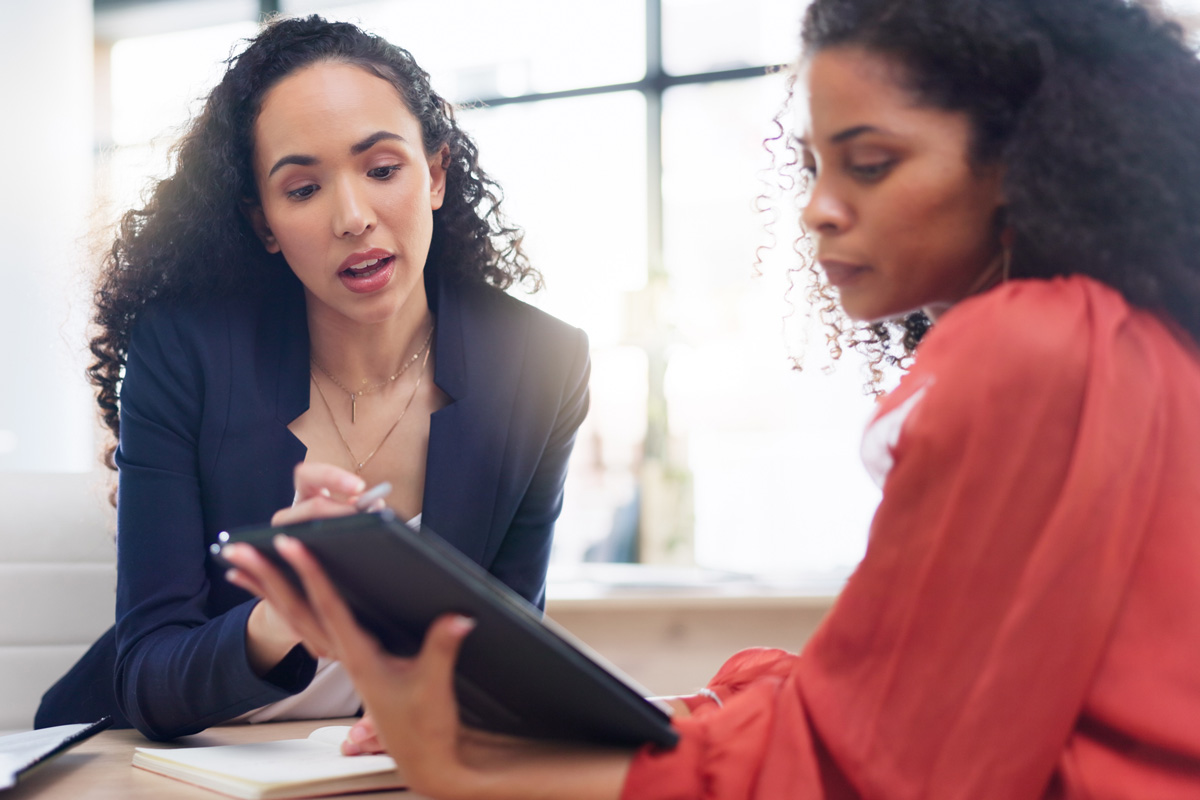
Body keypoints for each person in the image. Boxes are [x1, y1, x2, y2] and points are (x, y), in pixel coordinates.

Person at [224, 0, 1200, 796]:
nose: (818, 206)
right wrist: (681, 714)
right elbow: (901, 691)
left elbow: (890, 762)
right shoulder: (1119, 338)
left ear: (1018, 165)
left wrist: (472, 767)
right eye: (813, 164)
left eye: (871, 164)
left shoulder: (1031, 346)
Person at [35, 15, 590, 741]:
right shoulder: (184, 351)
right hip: (147, 762)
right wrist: (280, 617)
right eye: (302, 189)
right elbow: (147, 674)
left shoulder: (538, 364)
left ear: (437, 174)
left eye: (383, 169)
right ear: (264, 221)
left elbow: (504, 661)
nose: (353, 217)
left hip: (371, 773)